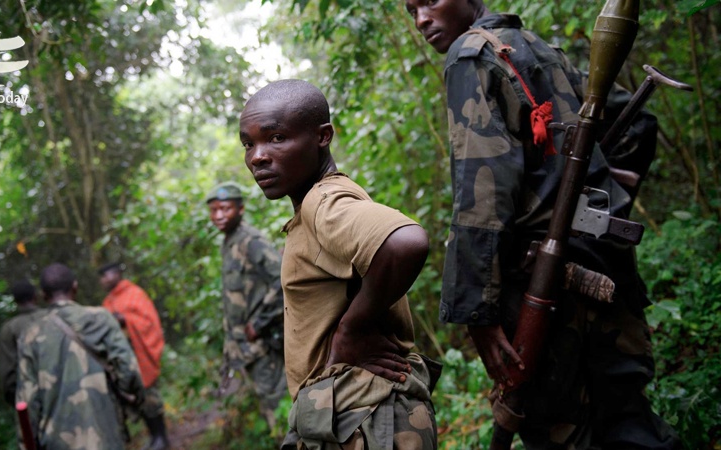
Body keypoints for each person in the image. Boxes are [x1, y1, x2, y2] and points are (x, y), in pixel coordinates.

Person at [404, 0, 681, 448]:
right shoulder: (542, 48)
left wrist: (478, 310)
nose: (420, 19)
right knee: (627, 421)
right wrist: (599, 212)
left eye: (429, 2)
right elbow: (636, 125)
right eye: (410, 9)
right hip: (606, 268)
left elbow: (482, 191)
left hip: (544, 288)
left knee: (560, 431)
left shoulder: (470, 55)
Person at [241, 79, 439, 449]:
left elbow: (405, 242)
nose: (258, 156)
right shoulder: (313, 205)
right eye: (249, 143)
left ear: (323, 137)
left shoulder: (324, 201)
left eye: (277, 138)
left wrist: (352, 329)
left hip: (367, 416)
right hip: (348, 416)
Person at [16, 263, 144, 450]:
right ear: (75, 287)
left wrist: (27, 443)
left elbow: (26, 402)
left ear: (43, 295)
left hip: (57, 442)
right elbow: (129, 370)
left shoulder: (30, 335)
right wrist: (130, 404)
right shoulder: (101, 318)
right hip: (106, 433)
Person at [206, 181, 288, 429]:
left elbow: (283, 280)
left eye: (226, 209)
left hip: (263, 346)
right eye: (214, 210)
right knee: (266, 403)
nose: (219, 216)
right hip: (245, 348)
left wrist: (260, 323)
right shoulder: (229, 242)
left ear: (240, 209)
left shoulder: (251, 241)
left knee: (277, 405)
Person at [98, 262, 169, 450]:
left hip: (141, 356)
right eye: (101, 277)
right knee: (137, 400)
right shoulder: (108, 301)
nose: (103, 280)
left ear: (117, 274)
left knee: (150, 397)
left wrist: (126, 320)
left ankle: (162, 437)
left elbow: (149, 321)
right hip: (124, 361)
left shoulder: (135, 293)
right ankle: (154, 436)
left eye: (106, 275)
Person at [0, 280, 47, 406]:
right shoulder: (54, 317)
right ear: (36, 296)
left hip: (28, 397)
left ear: (15, 301)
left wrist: (18, 402)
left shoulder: (9, 329)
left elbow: (8, 373)